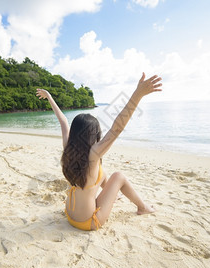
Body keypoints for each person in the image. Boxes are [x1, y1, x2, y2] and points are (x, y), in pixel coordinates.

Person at [36, 72, 162, 231]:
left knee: (101, 172)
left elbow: (63, 120)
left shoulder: (68, 147)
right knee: (119, 176)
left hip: (69, 214)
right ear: (94, 135)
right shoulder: (93, 154)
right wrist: (138, 94)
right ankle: (143, 207)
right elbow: (117, 128)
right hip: (88, 222)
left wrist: (49, 96)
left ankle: (112, 195)